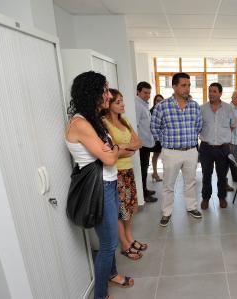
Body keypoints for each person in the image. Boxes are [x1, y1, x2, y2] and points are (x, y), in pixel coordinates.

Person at [65, 71, 134, 299]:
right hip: (100, 189)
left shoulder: (95, 120)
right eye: (104, 90)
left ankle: (112, 274)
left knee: (108, 240)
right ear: (92, 93)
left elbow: (114, 147)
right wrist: (112, 150)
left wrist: (112, 149)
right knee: (108, 244)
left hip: (109, 184)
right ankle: (101, 295)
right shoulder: (81, 123)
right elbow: (111, 157)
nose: (108, 95)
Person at [151, 72, 203, 227]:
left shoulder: (194, 106)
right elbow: (154, 128)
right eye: (183, 85)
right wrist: (166, 141)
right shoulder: (162, 106)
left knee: (190, 182)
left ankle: (191, 207)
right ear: (174, 86)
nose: (187, 89)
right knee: (168, 184)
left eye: (188, 85)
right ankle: (166, 212)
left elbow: (198, 126)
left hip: (191, 151)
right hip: (171, 151)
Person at [102, 88, 147, 261]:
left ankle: (130, 238)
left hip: (127, 170)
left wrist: (123, 149)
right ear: (109, 104)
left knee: (129, 208)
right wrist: (127, 149)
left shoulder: (125, 120)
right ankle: (125, 244)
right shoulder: (104, 123)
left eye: (122, 101)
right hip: (115, 172)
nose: (122, 105)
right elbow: (110, 151)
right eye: (118, 102)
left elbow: (139, 142)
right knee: (121, 211)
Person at [200, 83, 237, 210]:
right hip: (206, 147)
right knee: (206, 174)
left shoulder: (228, 108)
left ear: (220, 93)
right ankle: (206, 198)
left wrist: (223, 136)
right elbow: (198, 126)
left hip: (223, 148)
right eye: (210, 91)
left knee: (222, 175)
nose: (211, 93)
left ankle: (222, 197)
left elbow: (233, 125)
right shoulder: (202, 108)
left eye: (214, 91)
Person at [135, 81, 158, 203]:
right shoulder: (137, 105)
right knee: (143, 170)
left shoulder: (143, 104)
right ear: (138, 91)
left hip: (146, 143)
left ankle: (145, 189)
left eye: (149, 93)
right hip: (141, 145)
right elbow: (136, 126)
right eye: (145, 92)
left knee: (145, 168)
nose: (148, 95)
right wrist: (139, 143)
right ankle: (143, 194)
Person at [150, 94, 164, 182]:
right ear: (154, 101)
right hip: (155, 137)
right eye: (157, 100)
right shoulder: (151, 111)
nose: (159, 102)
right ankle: (155, 173)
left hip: (162, 137)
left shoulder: (164, 110)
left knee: (158, 155)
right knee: (156, 155)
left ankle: (155, 173)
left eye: (161, 101)